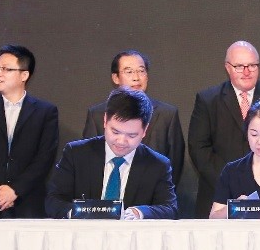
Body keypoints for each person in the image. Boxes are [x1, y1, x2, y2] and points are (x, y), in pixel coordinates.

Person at [188, 40, 260, 218]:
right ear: (227, 67)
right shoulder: (208, 99)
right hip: (219, 197)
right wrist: (230, 184)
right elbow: (199, 149)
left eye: (252, 66)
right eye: (239, 66)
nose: (247, 72)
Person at [46, 86, 177, 220]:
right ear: (105, 121)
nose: (121, 141)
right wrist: (78, 212)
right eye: (115, 132)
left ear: (145, 130)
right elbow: (54, 200)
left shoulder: (157, 165)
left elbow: (169, 208)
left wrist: (138, 213)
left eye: (131, 135)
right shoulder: (76, 154)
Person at [0, 45, 59, 219]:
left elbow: (44, 158)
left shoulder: (45, 112)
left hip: (28, 204)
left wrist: (15, 190)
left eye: (6, 69)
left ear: (24, 75)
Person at [80, 50, 184, 190]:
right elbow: (88, 160)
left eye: (141, 71)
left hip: (151, 196)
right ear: (116, 78)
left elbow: (175, 164)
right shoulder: (97, 114)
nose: (136, 78)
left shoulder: (167, 114)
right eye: (129, 72)